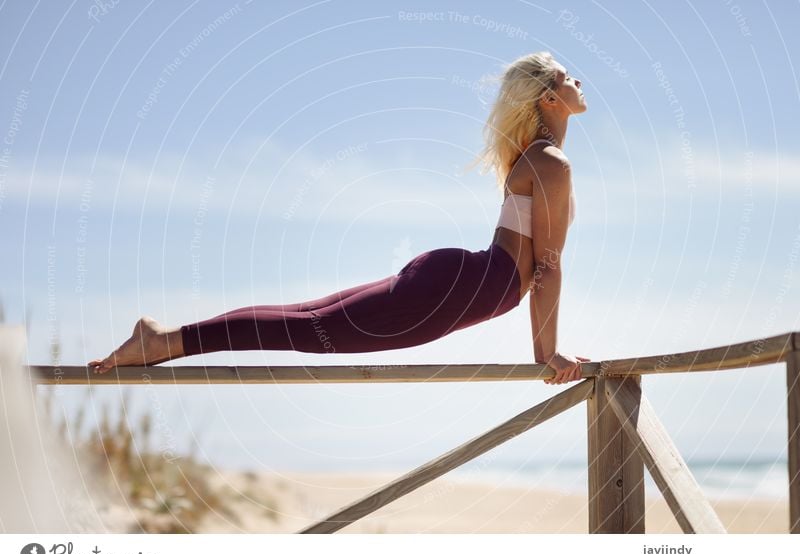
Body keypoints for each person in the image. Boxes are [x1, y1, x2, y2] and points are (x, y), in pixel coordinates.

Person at [89, 51, 589, 385]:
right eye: (568, 78)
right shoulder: (549, 162)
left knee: (310, 321)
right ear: (548, 98)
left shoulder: (535, 158)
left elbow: (537, 264)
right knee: (311, 329)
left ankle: (163, 340)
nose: (578, 82)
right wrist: (547, 354)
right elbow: (547, 266)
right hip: (463, 287)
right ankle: (162, 343)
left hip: (460, 281)